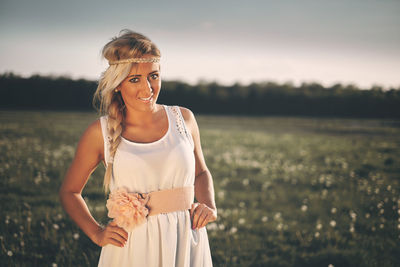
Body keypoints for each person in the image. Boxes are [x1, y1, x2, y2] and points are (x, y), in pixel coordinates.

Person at [59, 29, 217, 266]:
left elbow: (201, 172)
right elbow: (69, 192)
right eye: (135, 79)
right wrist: (96, 232)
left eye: (153, 76)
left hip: (186, 239)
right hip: (133, 246)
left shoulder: (183, 119)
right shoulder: (99, 132)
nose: (148, 88)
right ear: (117, 84)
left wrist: (209, 205)